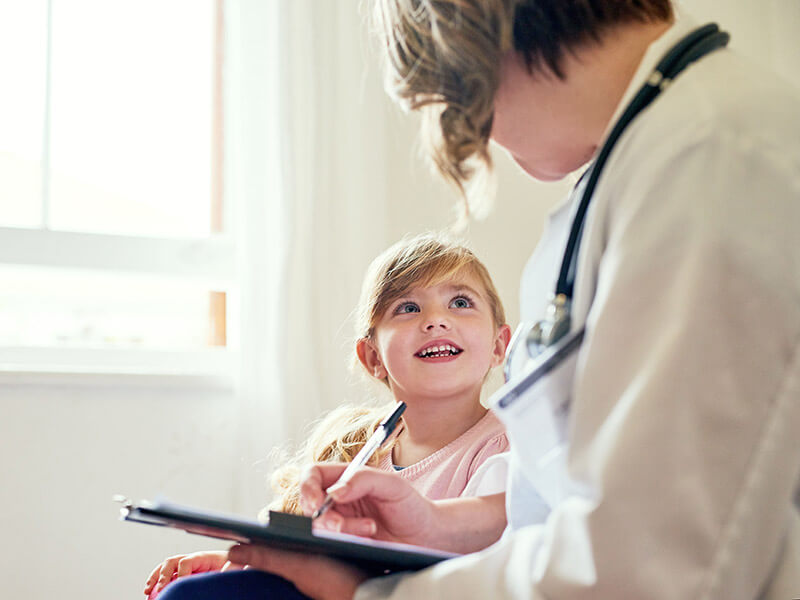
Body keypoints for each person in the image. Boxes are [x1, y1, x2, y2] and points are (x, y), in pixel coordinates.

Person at [195, 0, 800, 599]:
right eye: (408, 308)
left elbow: (643, 566)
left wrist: (364, 596)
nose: (469, 130)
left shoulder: (714, 160)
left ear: (470, 46)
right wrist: (438, 524)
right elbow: (574, 505)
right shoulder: (639, 160)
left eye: (445, 99)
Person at [147, 232, 514, 599]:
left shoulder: (504, 446)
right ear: (373, 358)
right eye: (408, 308)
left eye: (460, 302)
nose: (436, 320)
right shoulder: (356, 444)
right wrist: (240, 560)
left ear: (499, 346)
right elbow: (305, 551)